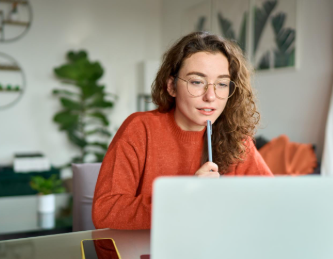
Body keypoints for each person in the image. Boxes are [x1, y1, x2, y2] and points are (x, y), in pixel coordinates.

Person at [92, 31, 273, 230]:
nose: (211, 96)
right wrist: (184, 198)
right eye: (197, 82)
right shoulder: (140, 129)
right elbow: (106, 211)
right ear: (172, 86)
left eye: (221, 84)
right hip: (149, 252)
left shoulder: (236, 137)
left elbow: (272, 201)